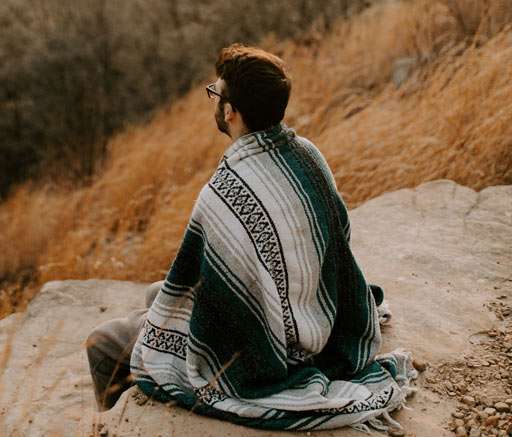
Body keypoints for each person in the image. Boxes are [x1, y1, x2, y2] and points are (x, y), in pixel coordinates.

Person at [85, 44, 413, 431]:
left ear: (229, 111)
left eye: (217, 92)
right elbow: (339, 243)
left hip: (271, 352)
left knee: (104, 343)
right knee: (156, 294)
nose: (215, 99)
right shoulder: (308, 154)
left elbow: (201, 289)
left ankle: (116, 427)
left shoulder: (224, 193)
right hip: (318, 317)